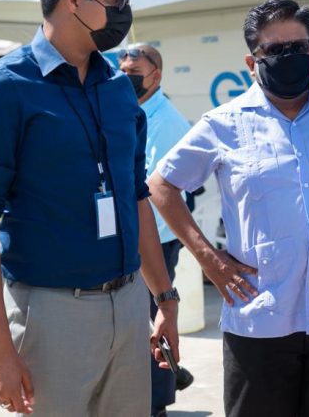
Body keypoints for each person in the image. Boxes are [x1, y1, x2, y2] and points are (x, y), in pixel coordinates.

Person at [0, 0, 179, 416]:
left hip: (128, 305)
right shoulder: (5, 89)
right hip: (51, 316)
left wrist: (164, 297)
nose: (125, 12)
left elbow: (135, 196)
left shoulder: (120, 90)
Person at [148, 0, 309, 417]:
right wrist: (210, 260)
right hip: (259, 324)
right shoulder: (223, 123)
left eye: (297, 49)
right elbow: (161, 186)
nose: (288, 59)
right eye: (273, 51)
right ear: (252, 61)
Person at [118, 44, 193, 417]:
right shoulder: (133, 112)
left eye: (134, 73)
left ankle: (159, 400)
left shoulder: (166, 122)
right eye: (124, 70)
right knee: (140, 324)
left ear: (156, 76)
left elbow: (156, 190)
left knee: (156, 321)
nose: (127, 77)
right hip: (136, 238)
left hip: (157, 239)